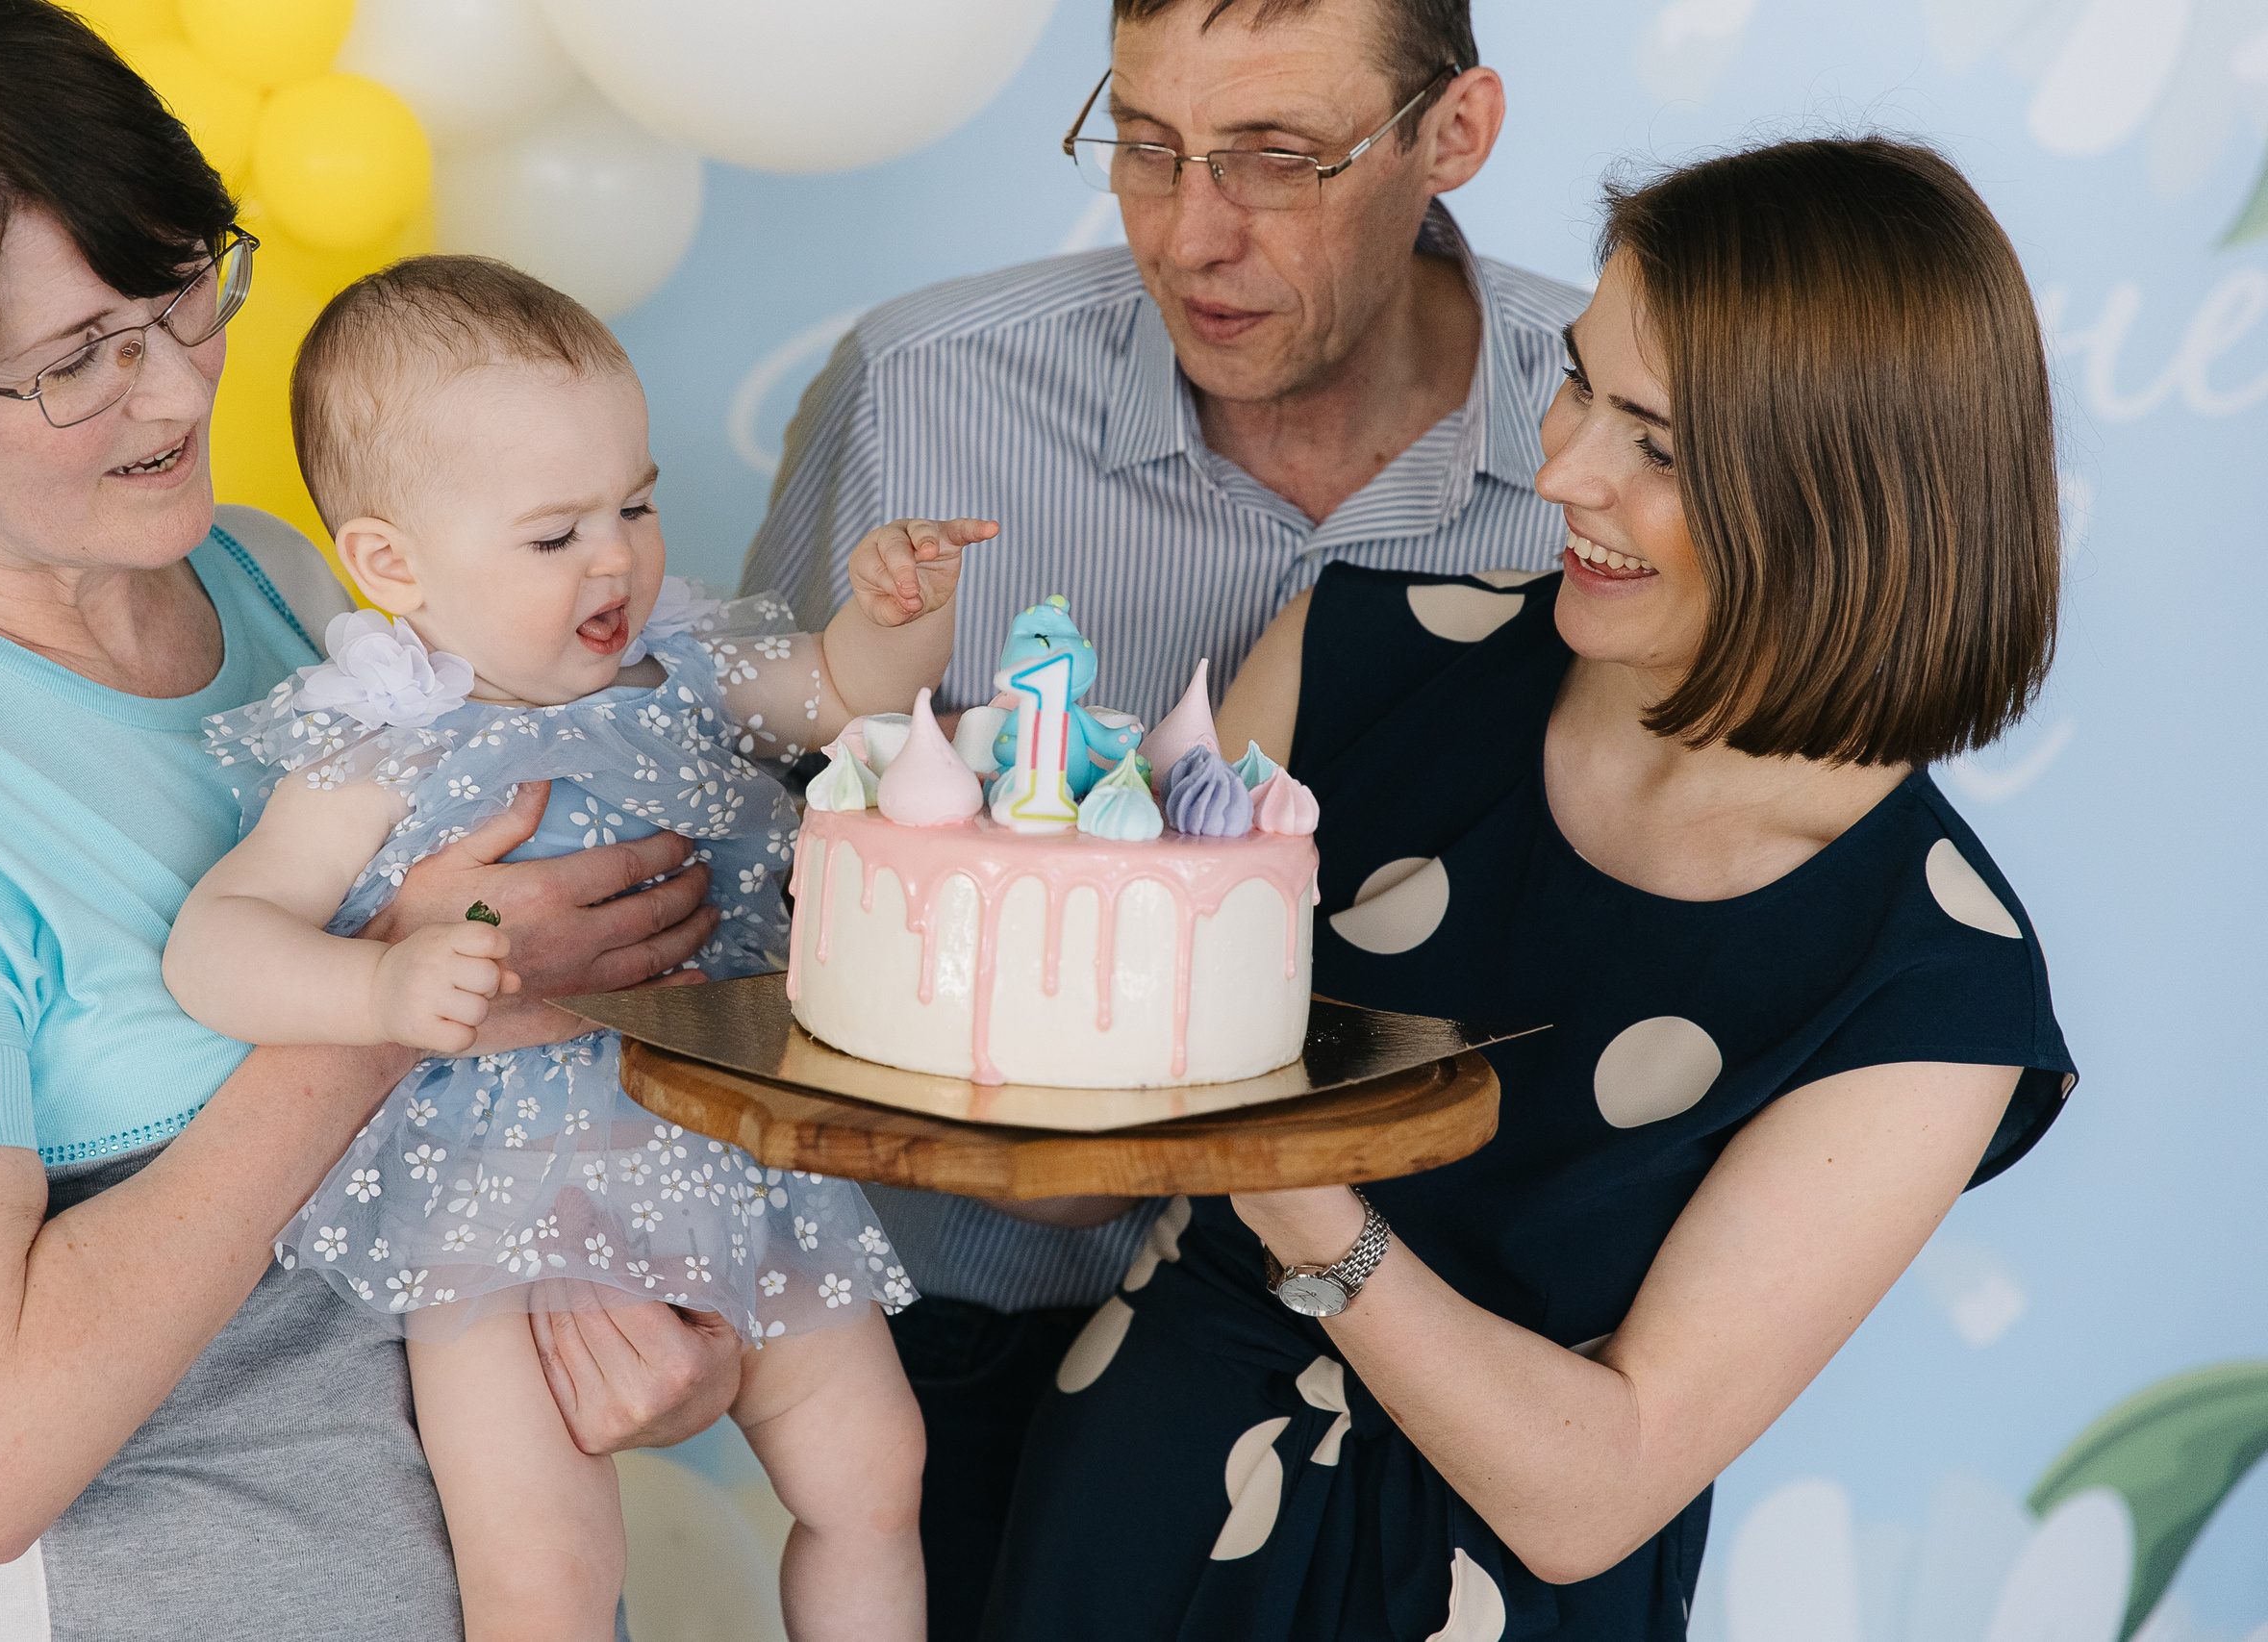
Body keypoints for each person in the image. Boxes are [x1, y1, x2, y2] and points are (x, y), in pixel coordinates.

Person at [982, 135, 2076, 1640]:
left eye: (1660, 445)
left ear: (1852, 502)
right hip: (1127, 1503)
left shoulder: (1931, 986)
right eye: (1579, 384)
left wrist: (1296, 1195)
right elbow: (1067, 1075)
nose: (1558, 469)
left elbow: (1588, 1496)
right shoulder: (1363, 652)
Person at [0, 5, 740, 1636]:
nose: (172, 385)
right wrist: (387, 1009)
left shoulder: (291, 585)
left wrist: (677, 1333)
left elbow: (512, 1137)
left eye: (178, 289)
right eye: (74, 358)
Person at [739, 2, 1584, 1624]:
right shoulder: (924, 390)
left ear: (1454, 134)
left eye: (1279, 159)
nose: (1193, 233)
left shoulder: (1621, 434)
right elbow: (773, 823)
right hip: (960, 1352)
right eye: (1144, 145)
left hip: (1442, 1368)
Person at [164, 256, 977, 1642]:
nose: (618, 557)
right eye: (555, 536)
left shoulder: (686, 664)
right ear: (391, 563)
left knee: (874, 1472)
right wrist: (376, 978)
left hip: (732, 1144)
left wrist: (897, 625)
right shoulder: (380, 738)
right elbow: (216, 947)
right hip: (483, 1205)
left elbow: (843, 696)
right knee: (537, 1577)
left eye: (637, 503)